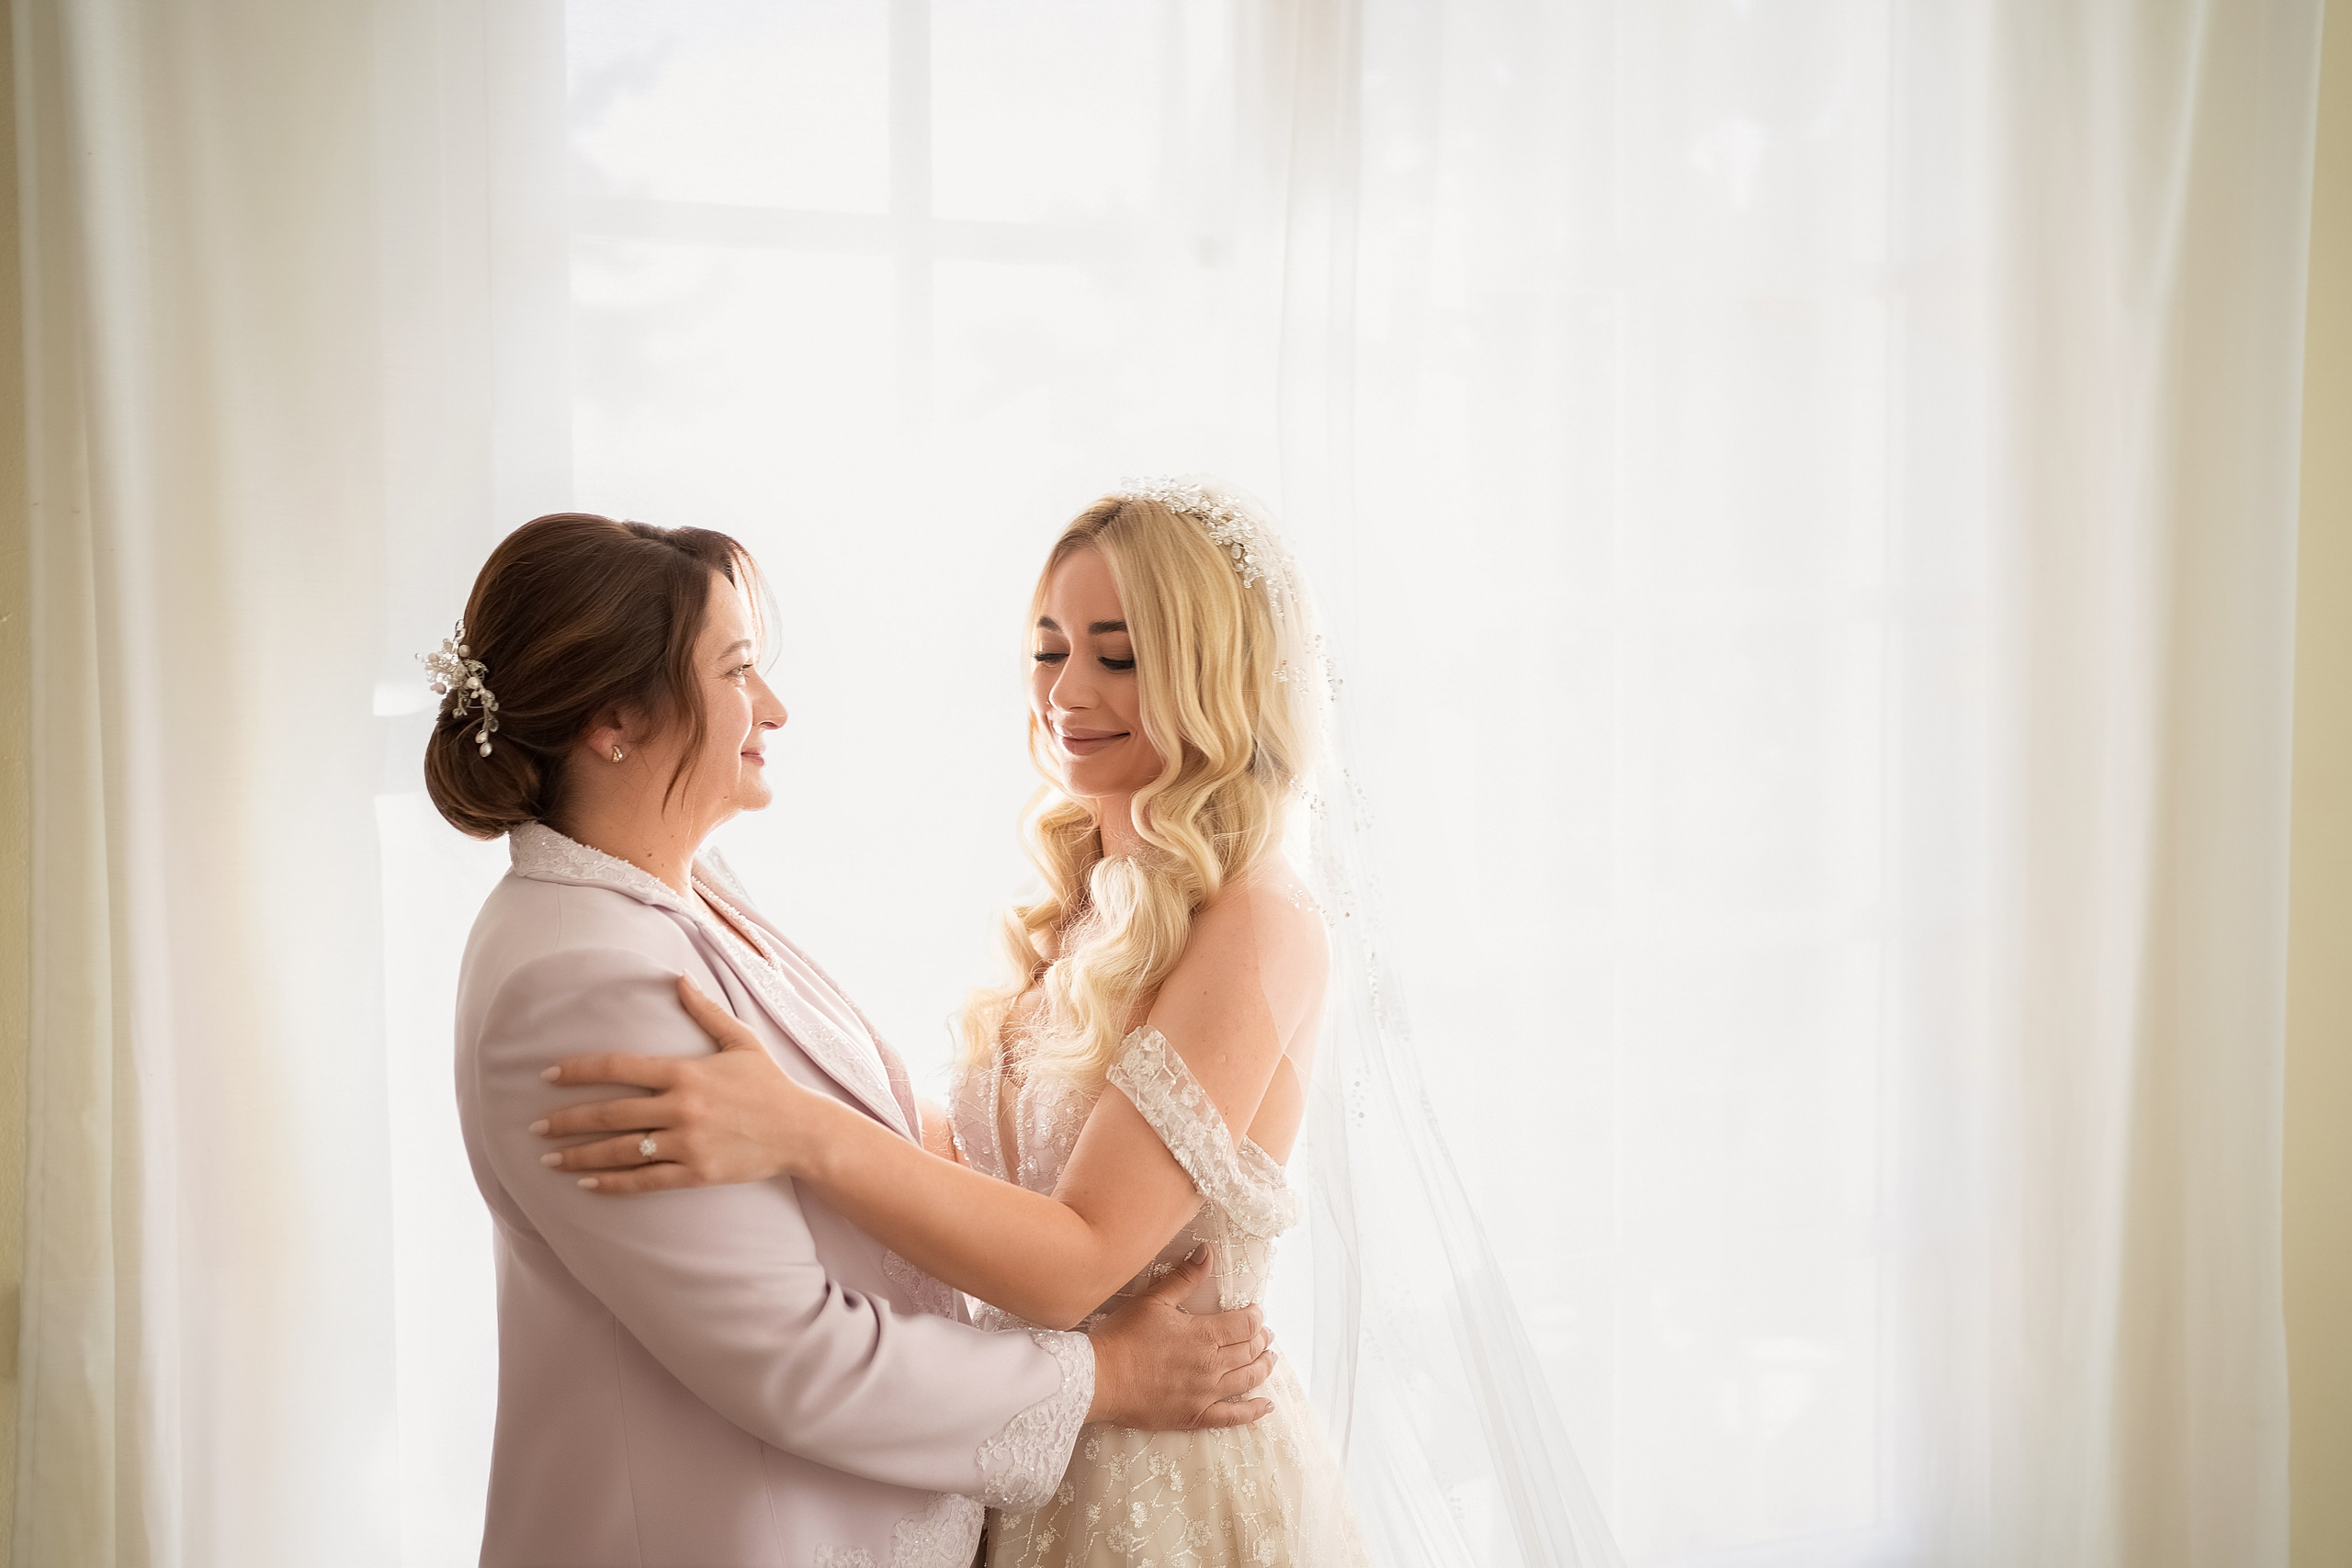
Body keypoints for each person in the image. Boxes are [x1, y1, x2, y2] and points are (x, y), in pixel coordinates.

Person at [531, 483, 1367, 1565]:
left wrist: (799, 1130)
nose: (1066, 691)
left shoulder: (1256, 920)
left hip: (1167, 1467)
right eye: (1047, 648)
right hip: (1028, 1448)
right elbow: (985, 1171)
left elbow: (1078, 1259)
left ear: (1213, 675)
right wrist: (771, 1090)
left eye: (1117, 656)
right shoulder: (1088, 889)